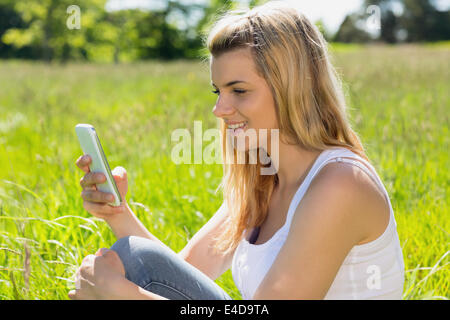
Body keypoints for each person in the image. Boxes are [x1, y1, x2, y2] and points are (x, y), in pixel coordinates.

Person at [69, 1, 405, 300]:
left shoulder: (342, 184)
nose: (219, 109)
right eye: (218, 91)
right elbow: (169, 275)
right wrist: (116, 212)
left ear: (292, 89)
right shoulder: (263, 179)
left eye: (239, 90)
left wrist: (123, 296)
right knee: (134, 253)